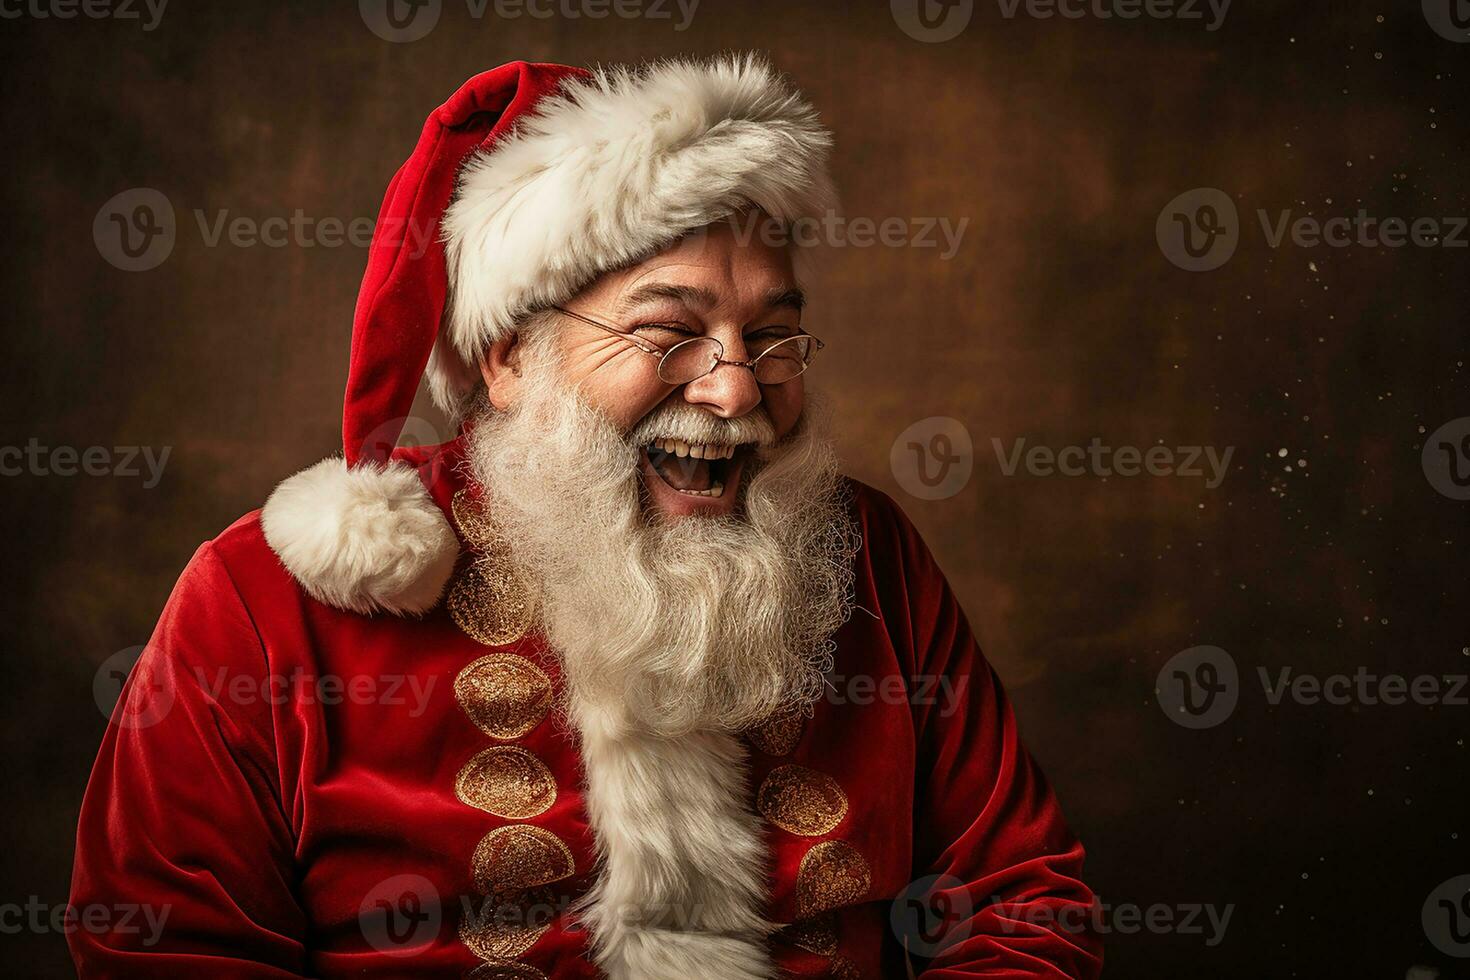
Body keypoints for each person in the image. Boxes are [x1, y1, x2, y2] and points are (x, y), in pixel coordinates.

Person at [69, 54, 1102, 979]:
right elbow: (163, 945)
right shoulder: (256, 606)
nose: (737, 391)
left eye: (773, 335)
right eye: (671, 329)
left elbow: (1023, 903)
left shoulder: (870, 556)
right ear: (508, 355)